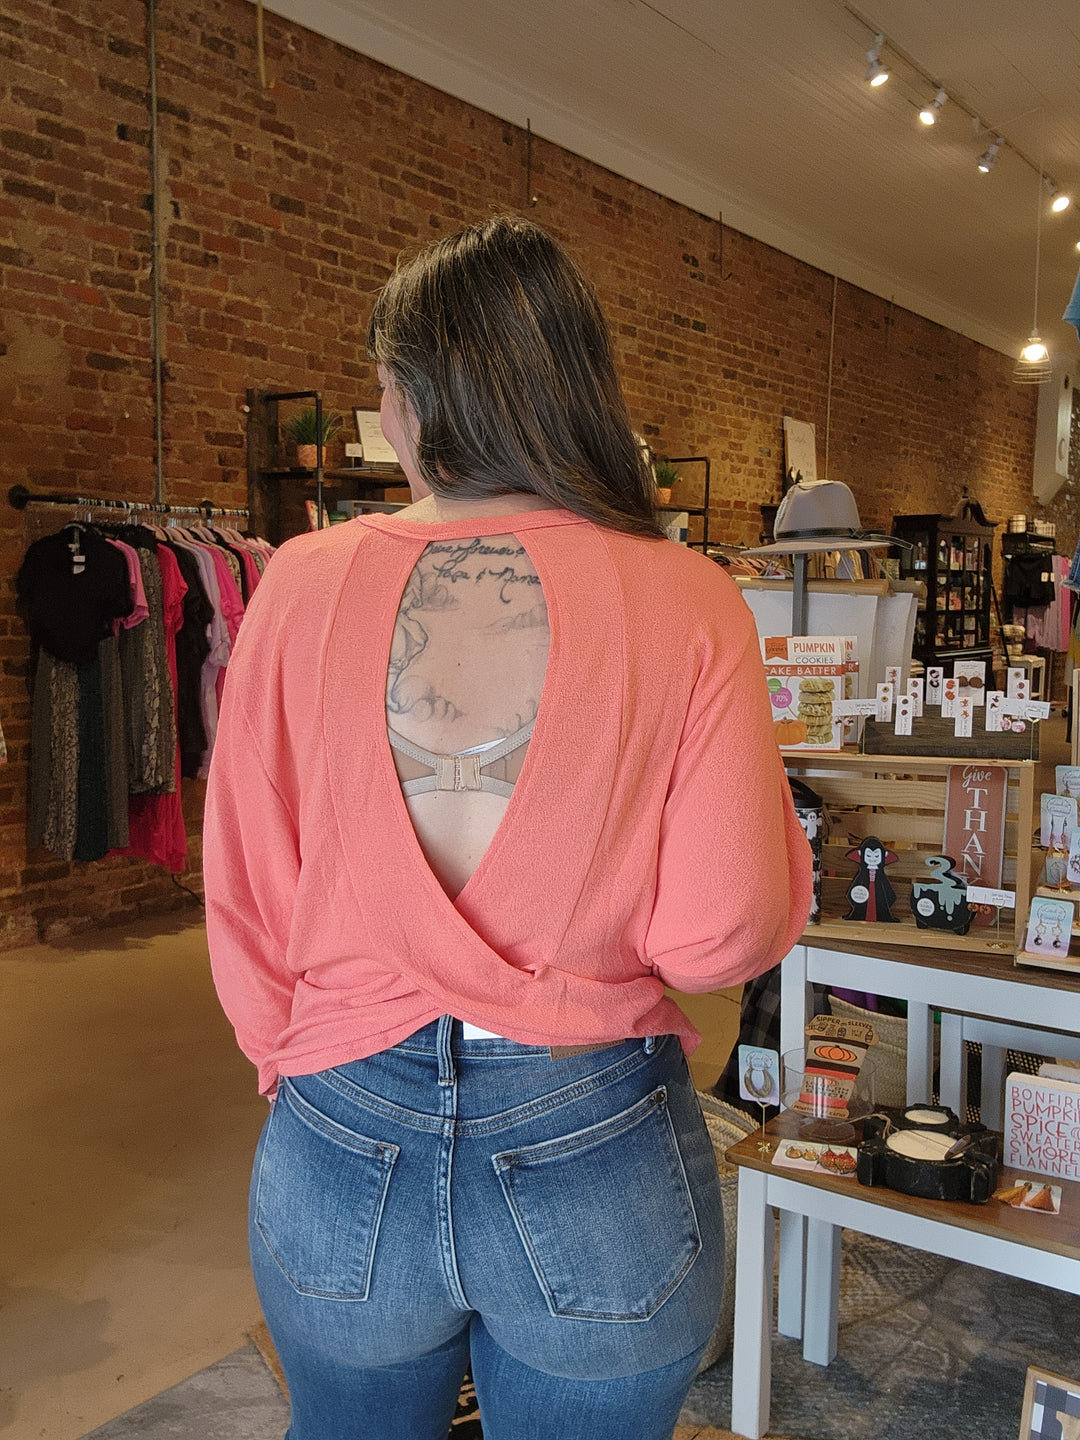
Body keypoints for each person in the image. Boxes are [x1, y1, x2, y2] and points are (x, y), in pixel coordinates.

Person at [204, 215, 812, 1440]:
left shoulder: (297, 583)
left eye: (385, 393)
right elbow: (718, 939)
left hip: (341, 1131)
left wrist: (304, 1064)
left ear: (424, 398)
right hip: (595, 1141)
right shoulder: (689, 597)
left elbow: (246, 889)